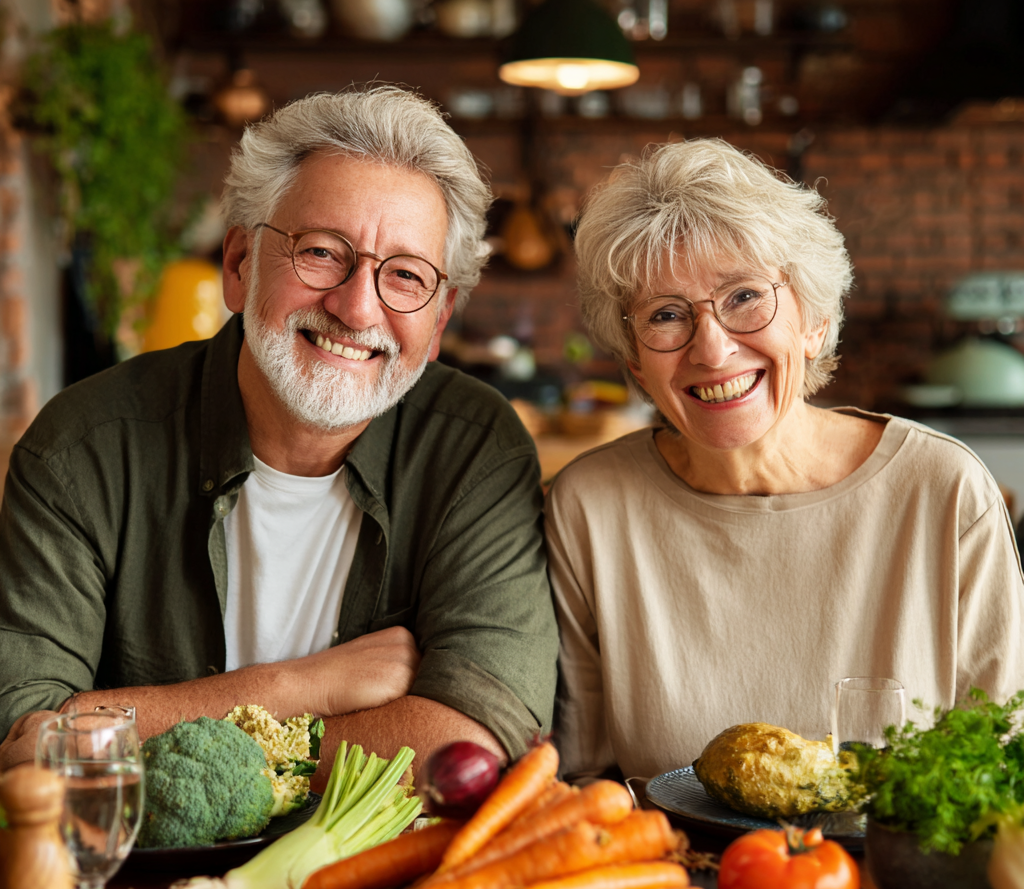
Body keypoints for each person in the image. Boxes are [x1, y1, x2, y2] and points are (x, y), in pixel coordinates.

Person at [0, 85, 558, 780]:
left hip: (387, 882)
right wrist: (296, 687)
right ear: (239, 265)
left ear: (439, 322)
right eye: (322, 252)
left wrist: (144, 725)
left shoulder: (474, 448)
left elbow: (477, 734)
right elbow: (27, 736)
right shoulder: (84, 447)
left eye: (407, 276)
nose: (357, 309)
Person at [547, 138, 1024, 782]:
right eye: (666, 315)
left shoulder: (943, 490)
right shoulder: (589, 505)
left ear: (815, 320)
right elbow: (584, 780)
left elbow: (999, 775)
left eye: (744, 296)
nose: (712, 350)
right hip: (672, 877)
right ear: (635, 361)